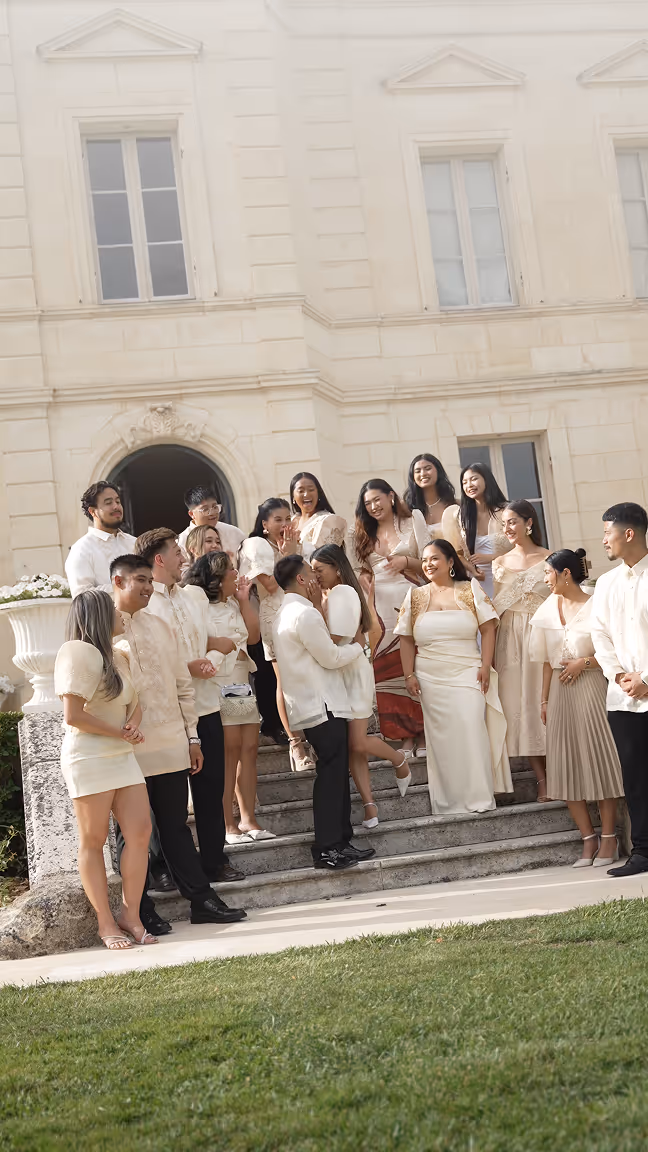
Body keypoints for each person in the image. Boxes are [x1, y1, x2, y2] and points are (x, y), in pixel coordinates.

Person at [111, 553, 246, 929]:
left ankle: (202, 901)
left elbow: (182, 687)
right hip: (126, 748)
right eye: (137, 579)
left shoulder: (159, 625)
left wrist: (192, 737)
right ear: (118, 582)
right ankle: (138, 910)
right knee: (131, 830)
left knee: (174, 825)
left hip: (170, 741)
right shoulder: (102, 625)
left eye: (147, 579)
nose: (146, 586)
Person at [135, 528, 244, 884]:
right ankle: (164, 867)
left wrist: (211, 655)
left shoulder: (194, 596)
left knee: (212, 789)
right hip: (165, 715)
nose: (185, 558)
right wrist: (187, 667)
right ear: (160, 559)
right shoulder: (144, 604)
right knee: (167, 800)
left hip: (207, 704)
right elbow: (144, 660)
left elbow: (204, 638)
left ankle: (215, 860)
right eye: (177, 552)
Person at [54, 589, 154, 949]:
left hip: (121, 753)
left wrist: (132, 724)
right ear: (97, 614)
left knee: (140, 831)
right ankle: (105, 922)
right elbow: (74, 715)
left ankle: (131, 914)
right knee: (93, 840)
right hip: (89, 756)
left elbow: (135, 702)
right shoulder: (78, 652)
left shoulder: (119, 654)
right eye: (111, 607)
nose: (119, 610)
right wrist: (122, 733)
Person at [272, 554, 376, 870]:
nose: (316, 579)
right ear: (301, 580)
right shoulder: (303, 614)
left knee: (335, 772)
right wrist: (360, 646)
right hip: (322, 705)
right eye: (310, 573)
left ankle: (341, 841)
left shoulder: (285, 613)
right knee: (330, 776)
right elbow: (330, 657)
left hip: (314, 704)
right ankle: (329, 847)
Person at [395, 539, 512, 815]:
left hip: (468, 671)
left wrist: (485, 665)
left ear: (450, 562)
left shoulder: (470, 588)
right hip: (430, 676)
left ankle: (479, 797)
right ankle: (449, 802)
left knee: (472, 728)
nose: (428, 564)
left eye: (435, 558)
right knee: (442, 740)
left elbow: (489, 628)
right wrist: (408, 674)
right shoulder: (414, 596)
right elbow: (406, 639)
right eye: (424, 560)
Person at [530, 549, 624, 867]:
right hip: (559, 691)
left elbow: (616, 651)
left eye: (548, 573)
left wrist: (584, 663)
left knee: (600, 759)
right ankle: (588, 839)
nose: (545, 579)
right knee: (564, 763)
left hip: (594, 686)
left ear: (565, 573)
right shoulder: (545, 611)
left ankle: (609, 838)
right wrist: (543, 700)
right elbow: (545, 662)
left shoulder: (597, 603)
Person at [310, 544, 412, 829]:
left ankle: (398, 759)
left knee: (356, 742)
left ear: (337, 568)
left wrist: (316, 606)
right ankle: (369, 806)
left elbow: (336, 638)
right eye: (313, 571)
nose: (316, 576)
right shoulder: (334, 594)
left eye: (320, 570)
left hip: (352, 673)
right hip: (338, 673)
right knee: (353, 750)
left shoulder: (343, 592)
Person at [184, 551, 274, 843]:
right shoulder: (197, 606)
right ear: (216, 578)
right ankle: (228, 824)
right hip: (212, 685)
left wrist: (245, 599)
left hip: (237, 683)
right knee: (227, 752)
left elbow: (253, 637)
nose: (236, 574)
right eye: (231, 570)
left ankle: (249, 819)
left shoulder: (235, 602)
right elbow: (192, 641)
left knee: (248, 749)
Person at [348, 479, 427, 754]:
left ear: (391, 496)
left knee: (418, 665)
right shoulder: (361, 533)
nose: (373, 507)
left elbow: (431, 564)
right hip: (379, 610)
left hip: (413, 598)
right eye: (367, 503)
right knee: (388, 673)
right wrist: (364, 580)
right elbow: (360, 572)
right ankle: (404, 734)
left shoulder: (412, 520)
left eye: (377, 500)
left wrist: (406, 562)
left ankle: (425, 733)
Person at [591, 502, 648, 877]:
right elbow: (600, 634)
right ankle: (643, 852)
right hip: (623, 698)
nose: (603, 540)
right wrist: (619, 676)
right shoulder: (606, 583)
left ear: (628, 534)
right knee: (636, 777)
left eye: (607, 532)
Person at [239, 498, 314, 770]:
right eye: (278, 520)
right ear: (264, 523)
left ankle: (309, 730)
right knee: (280, 678)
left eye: (287, 518)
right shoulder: (255, 545)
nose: (284, 524)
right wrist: (288, 555)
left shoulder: (295, 543)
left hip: (302, 613)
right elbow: (270, 585)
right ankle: (295, 742)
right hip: (274, 617)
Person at [492, 500, 551, 802]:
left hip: (542, 637)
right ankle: (542, 780)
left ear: (529, 522)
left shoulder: (550, 558)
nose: (507, 529)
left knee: (547, 703)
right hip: (509, 640)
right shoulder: (499, 563)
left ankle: (561, 773)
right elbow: (496, 606)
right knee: (520, 707)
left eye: (512, 522)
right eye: (504, 524)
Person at [441, 463, 511, 598]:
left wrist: (490, 558)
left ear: (486, 479)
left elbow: (522, 546)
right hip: (478, 581)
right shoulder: (460, 516)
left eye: (474, 479)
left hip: (507, 578)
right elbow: (456, 553)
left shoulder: (507, 511)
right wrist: (471, 568)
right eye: (464, 482)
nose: (469, 485)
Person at [65, 481, 136, 597]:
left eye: (118, 501)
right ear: (93, 511)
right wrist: (125, 586)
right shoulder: (81, 550)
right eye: (108, 503)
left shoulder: (134, 542)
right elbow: (82, 596)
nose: (116, 506)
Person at [178, 486, 244, 565]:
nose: (212, 513)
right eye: (205, 509)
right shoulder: (182, 542)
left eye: (215, 507)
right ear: (192, 514)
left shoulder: (234, 533)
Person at [289, 472, 347, 561]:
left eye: (311, 489)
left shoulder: (329, 521)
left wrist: (297, 545)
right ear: (293, 497)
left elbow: (323, 558)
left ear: (318, 493)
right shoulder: (291, 521)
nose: (306, 494)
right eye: (301, 491)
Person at [403, 453, 457, 541]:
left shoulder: (454, 505)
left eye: (428, 469)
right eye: (417, 471)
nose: (423, 474)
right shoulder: (407, 509)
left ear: (438, 471)